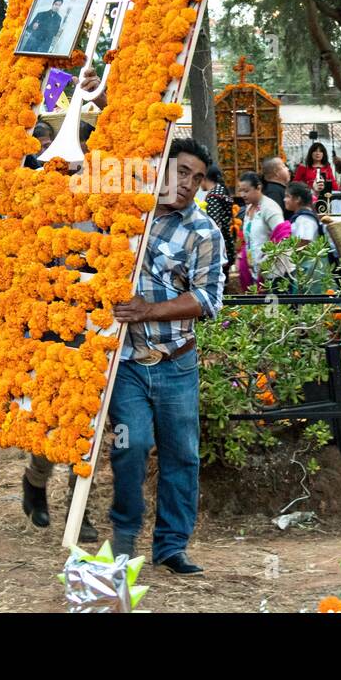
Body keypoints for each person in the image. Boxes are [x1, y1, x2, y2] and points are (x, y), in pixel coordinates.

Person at [108, 138, 225, 572]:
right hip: (127, 362)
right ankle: (123, 534)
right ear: (161, 165)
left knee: (181, 454)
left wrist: (150, 310)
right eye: (182, 171)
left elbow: (208, 299)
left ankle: (171, 546)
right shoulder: (124, 213)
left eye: (196, 178)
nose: (188, 183)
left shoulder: (203, 231)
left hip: (177, 360)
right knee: (131, 444)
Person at [236, 171, 288, 289]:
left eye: (246, 191)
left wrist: (265, 262)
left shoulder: (270, 208)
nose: (243, 195)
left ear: (258, 188)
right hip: (254, 270)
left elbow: (283, 237)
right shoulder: (249, 207)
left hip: (272, 273)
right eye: (241, 191)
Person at [283, 181, 326, 292]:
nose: (284, 200)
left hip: (310, 269)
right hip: (305, 268)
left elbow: (304, 241)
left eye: (287, 196)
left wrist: (286, 250)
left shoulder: (304, 219)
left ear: (297, 199)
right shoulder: (301, 217)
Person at [202, 165, 236, 264]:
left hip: (220, 246)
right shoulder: (221, 190)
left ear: (204, 178)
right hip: (227, 241)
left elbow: (214, 223)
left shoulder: (213, 195)